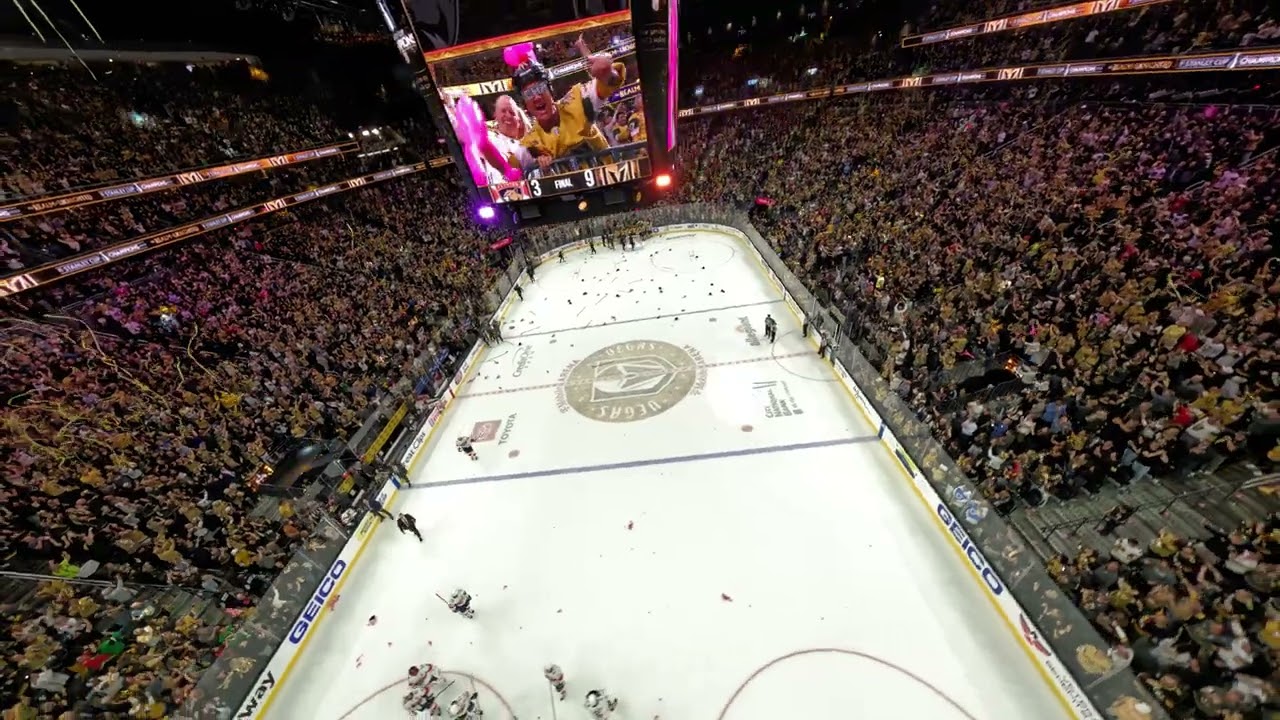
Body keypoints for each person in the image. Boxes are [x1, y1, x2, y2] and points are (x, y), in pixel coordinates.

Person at [508, 35, 627, 173]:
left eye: (540, 88)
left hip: (612, 180)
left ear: (550, 90)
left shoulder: (577, 100)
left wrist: (606, 72)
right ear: (525, 105)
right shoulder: (530, 144)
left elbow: (611, 82)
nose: (537, 97)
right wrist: (538, 165)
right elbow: (508, 170)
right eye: (529, 94)